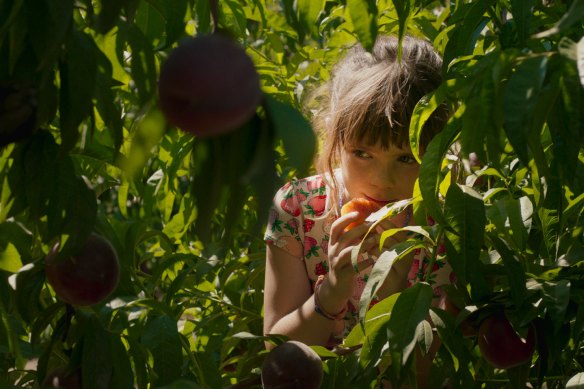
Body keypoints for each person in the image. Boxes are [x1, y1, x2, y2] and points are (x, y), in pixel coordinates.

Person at [263, 34, 454, 386]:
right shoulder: (300, 210)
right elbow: (277, 357)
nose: (382, 180)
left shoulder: (444, 226)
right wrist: (333, 289)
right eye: (362, 154)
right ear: (336, 139)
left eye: (406, 158)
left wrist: (393, 299)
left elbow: (423, 375)